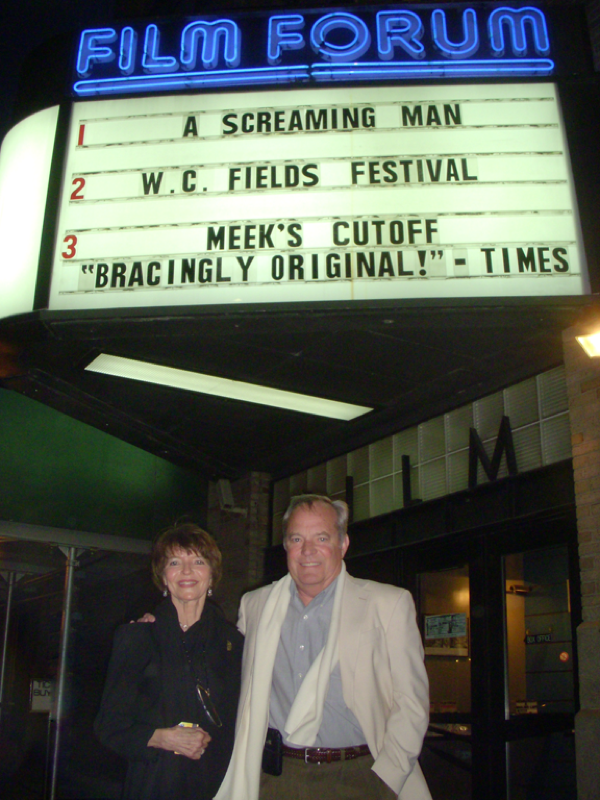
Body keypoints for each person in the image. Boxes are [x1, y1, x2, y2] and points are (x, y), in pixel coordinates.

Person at [215, 494, 432, 800]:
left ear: (342, 544)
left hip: (358, 775)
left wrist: (387, 778)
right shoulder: (256, 605)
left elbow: (412, 702)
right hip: (275, 778)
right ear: (286, 546)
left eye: (321, 538)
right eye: (296, 538)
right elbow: (221, 665)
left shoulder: (387, 604)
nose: (308, 551)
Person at [94, 523, 243, 800]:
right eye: (175, 562)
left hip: (217, 784)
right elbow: (109, 726)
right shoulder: (136, 637)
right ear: (163, 577)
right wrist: (160, 738)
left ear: (212, 576)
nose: (187, 571)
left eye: (198, 561)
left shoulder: (234, 644)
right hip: (154, 783)